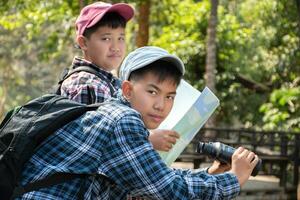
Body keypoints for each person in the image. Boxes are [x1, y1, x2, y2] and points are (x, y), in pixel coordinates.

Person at [18, 46, 259, 199]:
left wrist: (213, 173)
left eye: (169, 97)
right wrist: (233, 179)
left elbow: (156, 176)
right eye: (152, 92)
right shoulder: (122, 120)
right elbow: (168, 190)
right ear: (128, 89)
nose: (161, 105)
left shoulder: (110, 112)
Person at [59, 1, 179, 152]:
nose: (116, 47)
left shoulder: (107, 82)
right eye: (106, 38)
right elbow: (89, 143)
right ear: (83, 42)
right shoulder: (87, 83)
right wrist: (147, 139)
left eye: (121, 38)